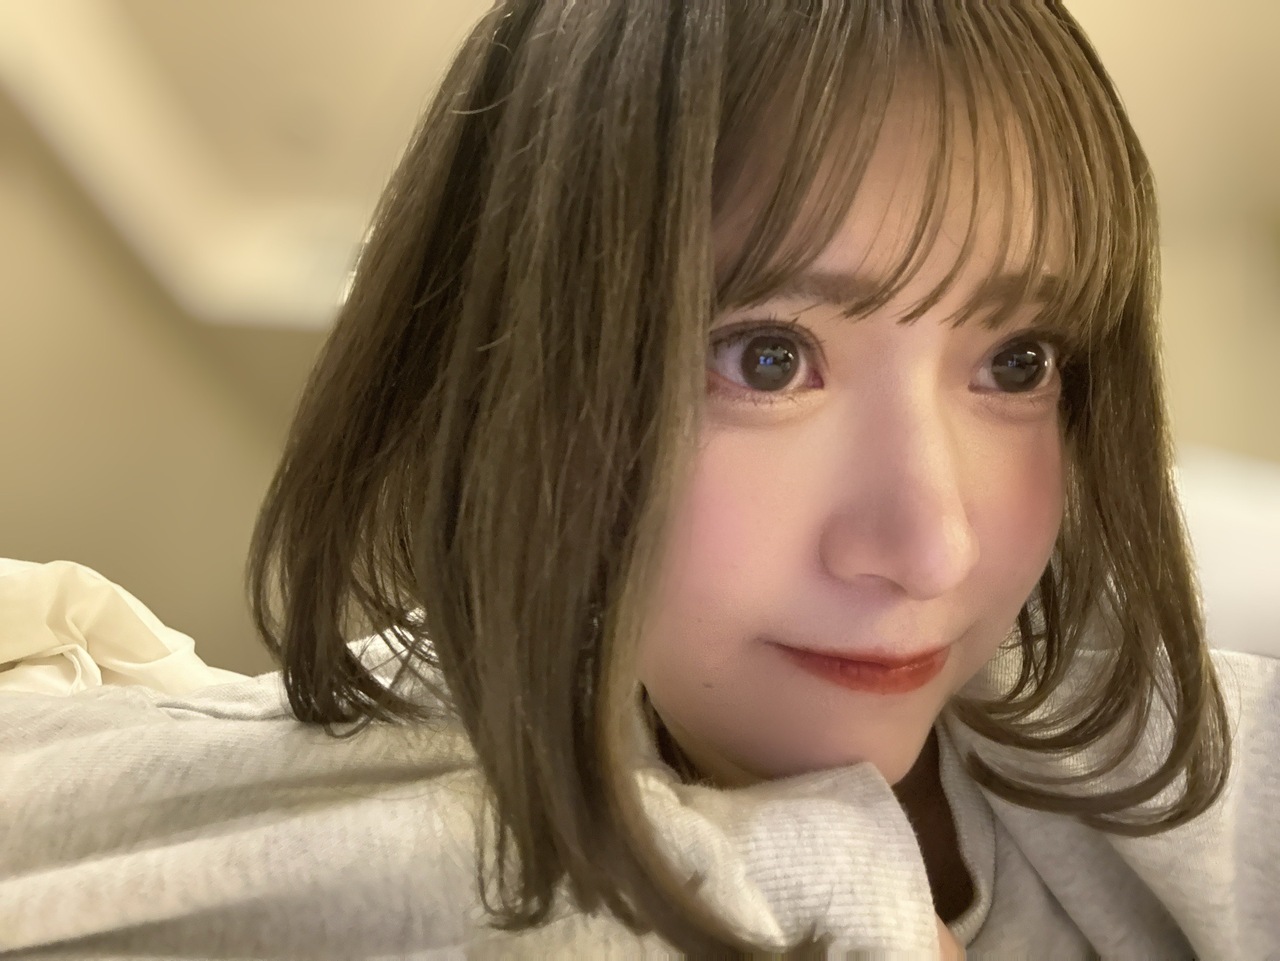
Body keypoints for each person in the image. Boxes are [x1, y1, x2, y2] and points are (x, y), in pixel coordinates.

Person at [2, 1, 1276, 957]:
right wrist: (819, 889)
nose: (931, 547)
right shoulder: (382, 771)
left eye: (1015, 362)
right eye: (766, 357)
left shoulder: (1172, 750)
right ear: (507, 376)